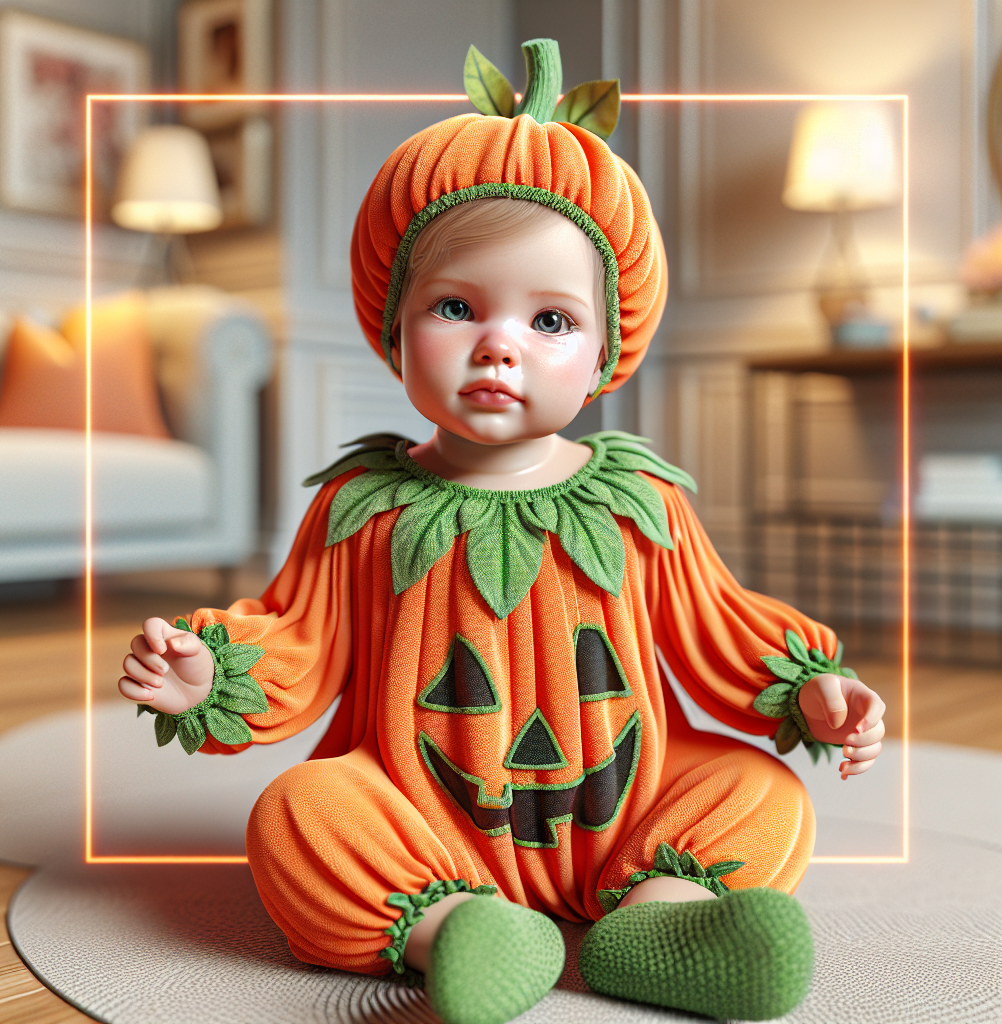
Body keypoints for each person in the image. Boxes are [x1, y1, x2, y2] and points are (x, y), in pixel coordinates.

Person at [117, 39, 885, 1024]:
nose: (498, 343)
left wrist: (810, 688)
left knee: (759, 789)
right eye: (454, 306)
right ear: (392, 329)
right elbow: (297, 635)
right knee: (298, 816)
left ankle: (658, 920)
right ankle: (458, 928)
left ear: (609, 349)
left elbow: (717, 624)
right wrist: (213, 673)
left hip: (619, 806)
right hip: (419, 808)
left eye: (550, 321)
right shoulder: (366, 504)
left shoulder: (637, 502)